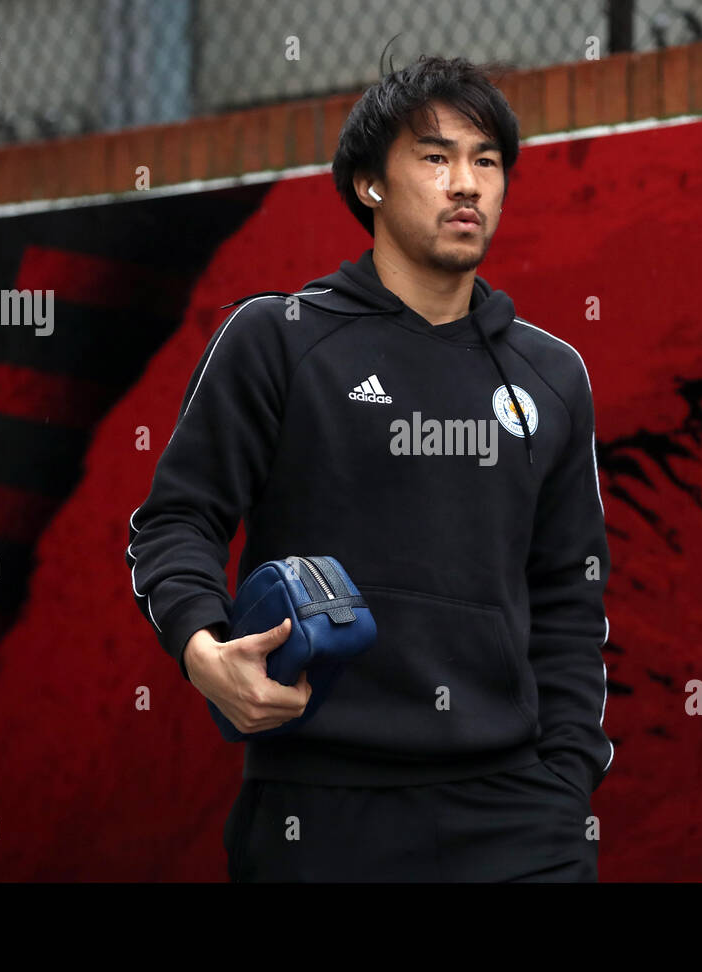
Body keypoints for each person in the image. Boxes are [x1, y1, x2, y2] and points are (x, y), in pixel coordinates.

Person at [125, 54, 612, 881]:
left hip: (517, 818)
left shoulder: (550, 377)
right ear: (368, 185)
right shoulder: (276, 338)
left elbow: (570, 592)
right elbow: (177, 521)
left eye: (486, 161)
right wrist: (203, 651)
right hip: (321, 811)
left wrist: (565, 783)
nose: (467, 183)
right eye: (435, 156)